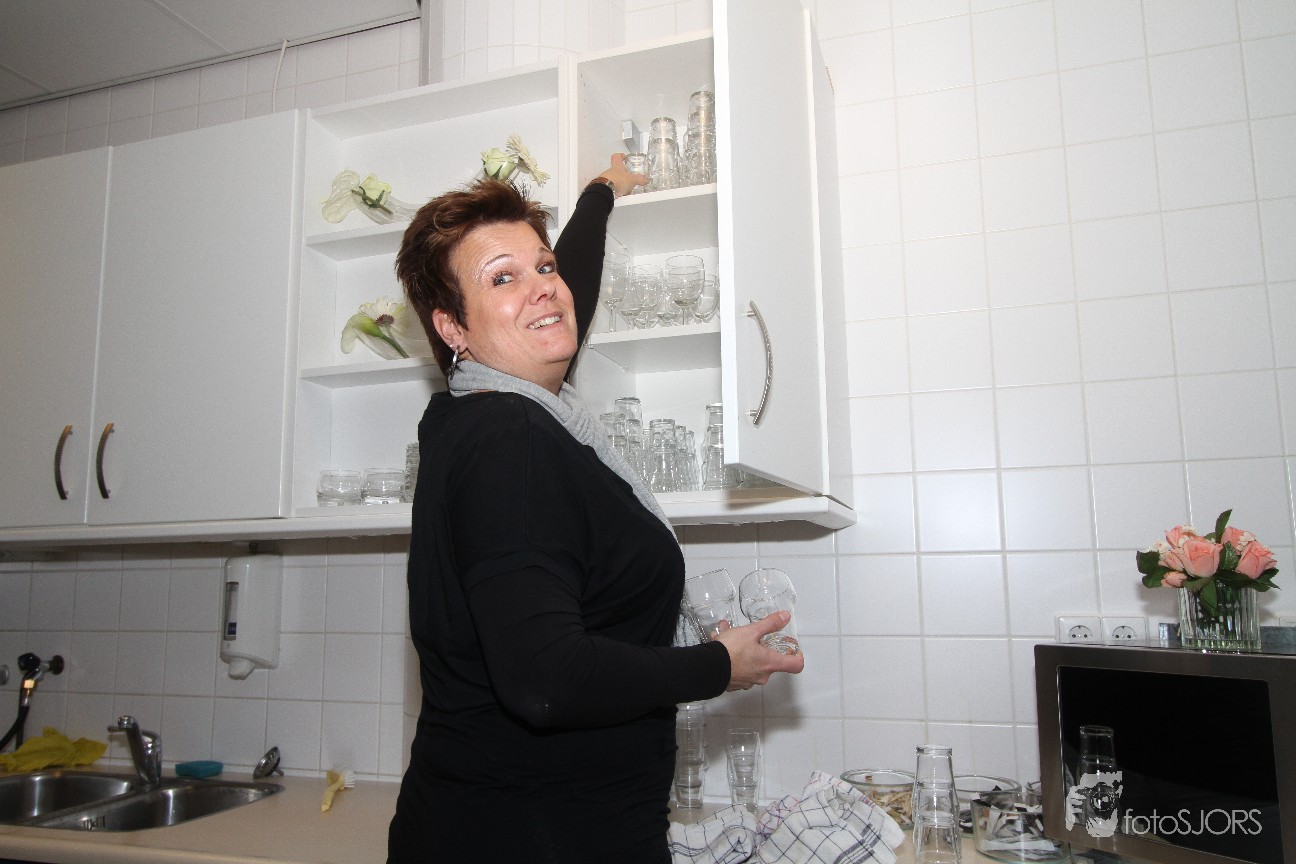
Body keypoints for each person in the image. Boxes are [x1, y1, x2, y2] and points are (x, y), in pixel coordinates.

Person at [387, 155, 803, 864]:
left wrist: (603, 190)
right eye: (502, 278)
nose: (543, 288)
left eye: (543, 266)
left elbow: (565, 282)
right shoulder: (509, 438)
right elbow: (545, 679)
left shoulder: (491, 417)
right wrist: (715, 666)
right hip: (530, 839)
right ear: (452, 327)